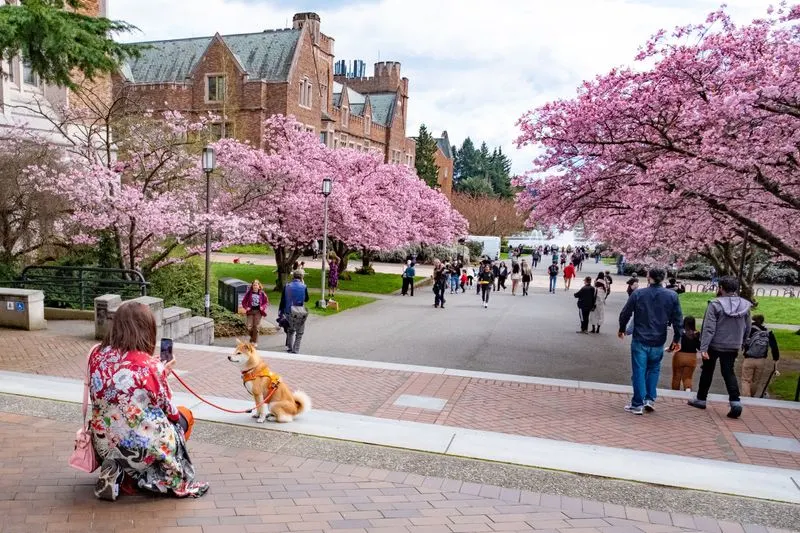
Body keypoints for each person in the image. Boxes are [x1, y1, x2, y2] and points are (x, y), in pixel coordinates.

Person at [89, 302, 208, 501]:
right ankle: (149, 476)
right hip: (140, 447)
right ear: (146, 329)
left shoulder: (96, 356)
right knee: (184, 416)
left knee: (123, 425)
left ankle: (119, 472)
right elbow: (170, 411)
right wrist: (161, 374)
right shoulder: (150, 365)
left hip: (103, 442)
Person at [618, 268, 683, 415]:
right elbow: (678, 319)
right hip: (659, 338)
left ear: (648, 277)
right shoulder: (671, 296)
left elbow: (626, 313)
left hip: (640, 337)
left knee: (639, 371)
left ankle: (637, 403)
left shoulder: (639, 294)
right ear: (663, 278)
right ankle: (649, 399)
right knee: (654, 369)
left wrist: (622, 328)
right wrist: (677, 338)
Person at [688, 276, 751, 418]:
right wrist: (743, 342)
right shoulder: (745, 305)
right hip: (733, 344)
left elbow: (709, 328)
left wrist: (703, 348)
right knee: (729, 372)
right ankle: (735, 401)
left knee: (707, 370)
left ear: (721, 288)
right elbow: (748, 327)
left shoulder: (715, 304)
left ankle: (701, 399)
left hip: (714, 344)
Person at [741, 314, 780, 398]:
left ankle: (746, 398)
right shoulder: (768, 332)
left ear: (753, 320)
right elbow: (774, 347)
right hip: (761, 360)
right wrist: (775, 359)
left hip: (749, 358)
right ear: (762, 321)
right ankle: (751, 398)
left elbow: (742, 341)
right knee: (755, 381)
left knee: (746, 380)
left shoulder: (749, 329)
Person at [280, 270, 310, 354]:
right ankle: (295, 349)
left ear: (293, 276)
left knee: (290, 330)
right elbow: (306, 299)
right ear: (302, 277)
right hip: (300, 312)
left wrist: (281, 312)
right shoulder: (303, 286)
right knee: (299, 332)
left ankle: (289, 347)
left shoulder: (287, 286)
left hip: (289, 311)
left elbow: (283, 300)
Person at [672, 316, 700, 391]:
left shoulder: (680, 332)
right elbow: (699, 347)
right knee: (688, 377)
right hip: (691, 357)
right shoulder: (697, 334)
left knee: (676, 377)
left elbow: (674, 344)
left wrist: (670, 349)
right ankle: (687, 390)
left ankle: (674, 393)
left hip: (679, 356)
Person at [241, 280, 268, 347]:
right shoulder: (249, 293)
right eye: (254, 285)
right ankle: (252, 338)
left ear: (259, 286)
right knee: (249, 327)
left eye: (256, 285)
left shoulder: (262, 293)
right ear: (252, 286)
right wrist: (246, 307)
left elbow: (266, 302)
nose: (255, 286)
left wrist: (262, 307)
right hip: (250, 312)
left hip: (258, 312)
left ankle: (254, 341)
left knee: (256, 327)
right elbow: (243, 302)